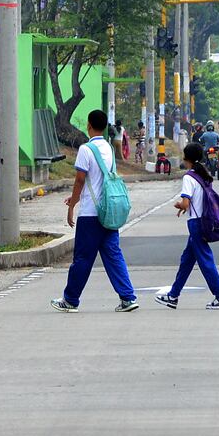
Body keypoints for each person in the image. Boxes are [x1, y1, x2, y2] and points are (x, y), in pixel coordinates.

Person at [51, 109, 139, 313]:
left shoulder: (86, 149)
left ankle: (70, 299)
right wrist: (74, 198)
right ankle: (127, 297)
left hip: (90, 214)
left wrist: (72, 205)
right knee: (113, 256)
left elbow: (81, 179)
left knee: (82, 258)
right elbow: (100, 180)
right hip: (108, 212)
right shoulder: (108, 147)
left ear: (89, 125)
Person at [155, 143, 219, 310]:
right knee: (187, 260)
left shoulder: (189, 177)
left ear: (186, 158)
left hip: (196, 224)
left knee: (205, 260)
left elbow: (186, 202)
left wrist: (179, 206)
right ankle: (173, 295)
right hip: (202, 221)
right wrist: (186, 207)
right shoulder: (202, 175)